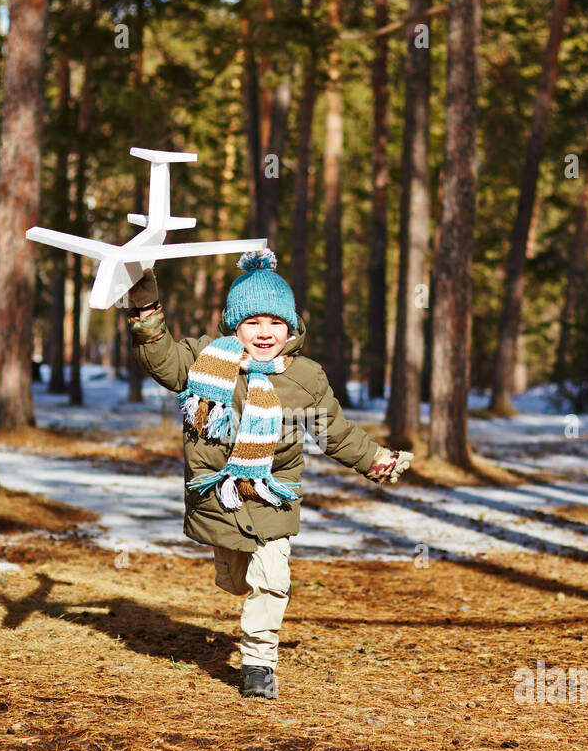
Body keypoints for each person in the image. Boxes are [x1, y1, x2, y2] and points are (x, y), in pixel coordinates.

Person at [122, 248, 412, 700]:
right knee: (237, 579)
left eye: (276, 323)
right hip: (220, 496)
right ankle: (232, 570)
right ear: (234, 324)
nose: (264, 333)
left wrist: (374, 459)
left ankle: (259, 663)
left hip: (273, 494)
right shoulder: (205, 360)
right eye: (253, 322)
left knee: (271, 579)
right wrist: (145, 306)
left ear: (292, 327)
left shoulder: (306, 378)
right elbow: (159, 358)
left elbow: (333, 431)